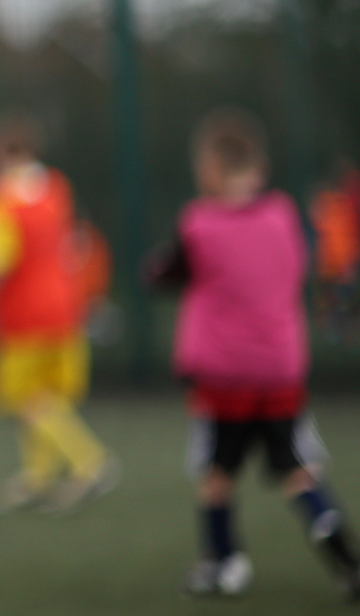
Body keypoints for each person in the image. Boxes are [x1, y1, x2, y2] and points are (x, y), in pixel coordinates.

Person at [148, 109, 360, 598]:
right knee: (298, 471)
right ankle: (348, 562)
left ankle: (224, 564)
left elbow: (165, 273)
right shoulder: (284, 215)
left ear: (212, 170)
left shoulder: (199, 224)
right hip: (280, 372)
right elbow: (295, 268)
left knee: (217, 474)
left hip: (223, 379)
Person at [0, 114, 116, 514]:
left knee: (28, 401)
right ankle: (39, 476)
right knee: (48, 397)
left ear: (1, 155)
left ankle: (90, 461)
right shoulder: (56, 189)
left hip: (22, 316)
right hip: (66, 310)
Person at [308, 163, 360, 344]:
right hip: (329, 266)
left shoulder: (346, 207)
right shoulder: (332, 204)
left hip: (342, 266)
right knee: (330, 302)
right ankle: (331, 334)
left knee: (344, 302)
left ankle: (344, 334)